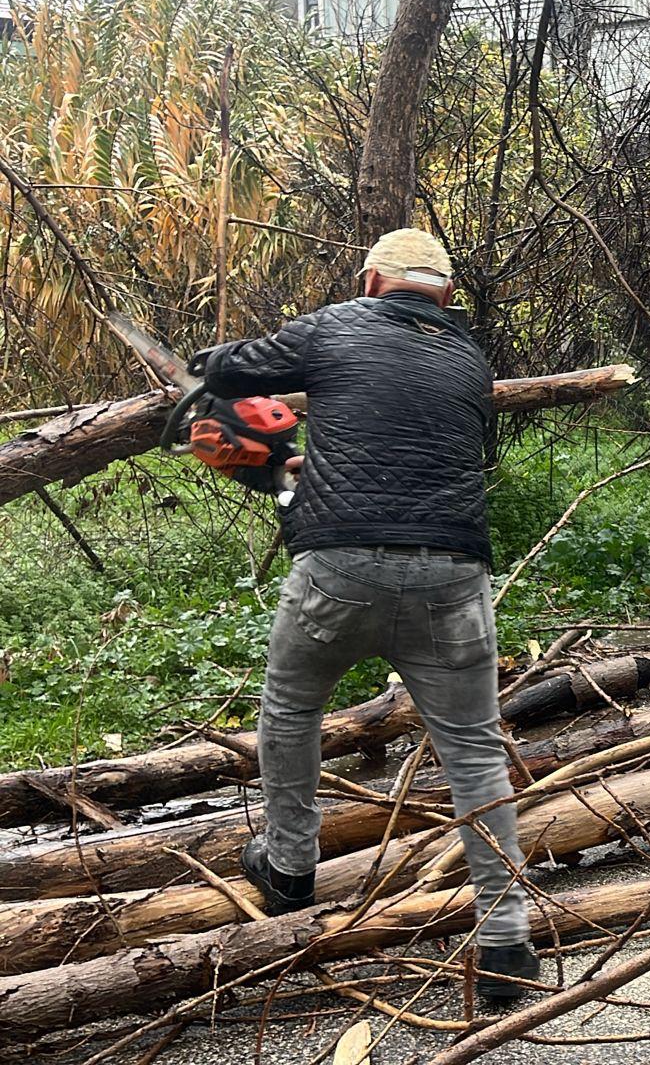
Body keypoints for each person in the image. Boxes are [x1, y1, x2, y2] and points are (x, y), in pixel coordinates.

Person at [198, 229, 537, 1000]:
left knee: (290, 711)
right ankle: (508, 939)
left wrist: (228, 404)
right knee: (476, 754)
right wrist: (306, 461)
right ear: (445, 297)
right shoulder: (471, 359)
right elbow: (426, 448)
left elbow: (227, 369)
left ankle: (288, 868)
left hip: (338, 567)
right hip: (453, 573)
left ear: (371, 281)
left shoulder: (337, 323)